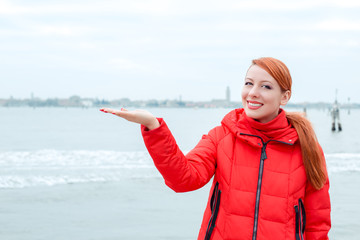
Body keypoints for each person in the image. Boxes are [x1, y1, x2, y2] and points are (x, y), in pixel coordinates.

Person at [100, 57, 331, 240]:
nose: (253, 93)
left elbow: (317, 222)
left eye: (266, 86)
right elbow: (183, 179)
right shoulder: (221, 137)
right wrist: (153, 126)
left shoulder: (306, 147)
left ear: (285, 97)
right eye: (249, 83)